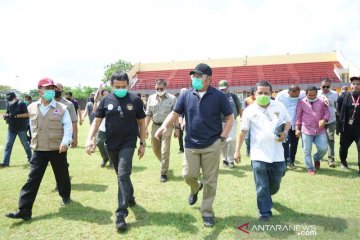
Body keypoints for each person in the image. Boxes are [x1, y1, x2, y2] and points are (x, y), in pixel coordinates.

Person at [155, 63, 234, 227]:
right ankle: (195, 188)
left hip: (212, 144)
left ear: (209, 79)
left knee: (210, 181)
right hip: (191, 144)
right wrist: (164, 126)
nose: (195, 79)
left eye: (199, 76)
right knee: (188, 175)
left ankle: (207, 212)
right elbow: (175, 113)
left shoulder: (219, 96)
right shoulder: (186, 95)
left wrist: (222, 138)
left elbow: (230, 118)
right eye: (193, 76)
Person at [85, 72, 146, 231]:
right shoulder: (105, 100)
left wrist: (142, 143)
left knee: (123, 174)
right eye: (117, 87)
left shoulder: (135, 100)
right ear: (111, 86)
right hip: (111, 144)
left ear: (128, 85)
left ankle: (121, 214)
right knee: (121, 175)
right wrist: (89, 139)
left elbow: (141, 123)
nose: (121, 89)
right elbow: (96, 122)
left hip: (128, 143)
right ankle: (130, 196)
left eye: (124, 86)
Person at [5, 78, 73, 220]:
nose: (50, 91)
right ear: (39, 90)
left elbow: (68, 127)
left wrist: (65, 142)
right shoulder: (31, 107)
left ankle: (65, 196)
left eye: (52, 88)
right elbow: (31, 125)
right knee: (32, 179)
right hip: (39, 149)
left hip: (57, 148)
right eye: (47, 88)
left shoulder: (61, 108)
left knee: (62, 175)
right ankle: (24, 210)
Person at [234, 80, 291, 222]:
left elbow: (288, 121)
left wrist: (284, 132)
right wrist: (237, 151)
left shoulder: (279, 105)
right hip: (258, 153)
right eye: (260, 93)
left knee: (277, 179)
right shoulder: (249, 110)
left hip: (277, 154)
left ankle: (269, 194)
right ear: (254, 94)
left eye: (266, 93)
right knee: (261, 185)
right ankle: (264, 212)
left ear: (271, 93)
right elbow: (243, 132)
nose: (263, 95)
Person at [145, 79, 178, 182]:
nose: (159, 90)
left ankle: (163, 173)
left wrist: (177, 128)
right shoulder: (151, 98)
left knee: (164, 150)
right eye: (157, 88)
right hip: (155, 126)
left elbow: (175, 114)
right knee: (155, 149)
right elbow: (148, 114)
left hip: (167, 127)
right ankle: (164, 163)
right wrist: (145, 128)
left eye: (161, 88)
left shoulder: (172, 98)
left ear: (165, 87)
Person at [295, 85, 330, 175]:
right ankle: (310, 168)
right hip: (306, 130)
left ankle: (316, 158)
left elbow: (327, 112)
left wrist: (324, 119)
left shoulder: (322, 101)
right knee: (307, 150)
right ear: (306, 94)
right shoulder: (301, 103)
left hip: (320, 130)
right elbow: (298, 117)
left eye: (313, 95)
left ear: (316, 94)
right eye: (309, 95)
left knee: (323, 148)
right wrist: (297, 128)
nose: (311, 97)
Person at [275, 85, 305, 169]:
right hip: (285, 124)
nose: (296, 97)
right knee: (285, 143)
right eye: (294, 95)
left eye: (298, 95)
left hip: (296, 124)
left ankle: (291, 161)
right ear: (289, 92)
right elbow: (275, 107)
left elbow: (317, 94)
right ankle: (284, 162)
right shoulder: (281, 95)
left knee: (294, 144)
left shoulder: (302, 94)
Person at [0, 92, 32, 167]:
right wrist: (6, 116)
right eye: (8, 99)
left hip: (21, 128)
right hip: (11, 128)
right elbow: (8, 113)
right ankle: (5, 163)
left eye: (10, 99)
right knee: (8, 145)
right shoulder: (9, 104)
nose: (9, 101)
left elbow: (27, 114)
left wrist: (16, 115)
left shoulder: (21, 104)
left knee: (25, 145)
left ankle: (31, 159)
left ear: (15, 98)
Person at [336, 76, 360, 177]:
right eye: (354, 84)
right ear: (351, 85)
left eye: (358, 84)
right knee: (343, 147)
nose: (356, 86)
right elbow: (338, 111)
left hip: (359, 128)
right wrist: (339, 126)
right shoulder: (343, 96)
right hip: (346, 128)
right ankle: (343, 161)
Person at [218, 80, 242, 168]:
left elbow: (239, 107)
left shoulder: (233, 96)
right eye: (221, 89)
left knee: (231, 140)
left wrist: (242, 118)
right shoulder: (217, 96)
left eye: (224, 88)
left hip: (232, 121)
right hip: (220, 122)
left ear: (228, 87)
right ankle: (225, 160)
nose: (223, 90)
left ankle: (231, 160)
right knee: (223, 141)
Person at [318, 78, 338, 167]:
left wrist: (329, 102)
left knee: (330, 139)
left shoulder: (335, 94)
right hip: (319, 121)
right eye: (323, 86)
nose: (325, 88)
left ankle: (331, 159)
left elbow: (338, 106)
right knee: (319, 140)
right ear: (320, 86)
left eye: (328, 86)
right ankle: (320, 156)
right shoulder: (316, 93)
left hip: (331, 121)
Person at [55, 83, 78, 148]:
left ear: (62, 91)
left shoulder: (69, 104)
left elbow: (74, 122)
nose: (56, 90)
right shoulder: (47, 103)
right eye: (54, 88)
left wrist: (75, 138)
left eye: (58, 89)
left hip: (63, 137)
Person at [94, 89, 112, 167]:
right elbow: (95, 111)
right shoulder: (100, 103)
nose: (106, 95)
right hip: (102, 127)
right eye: (104, 94)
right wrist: (95, 101)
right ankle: (105, 158)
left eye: (107, 94)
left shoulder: (114, 102)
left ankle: (112, 160)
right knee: (99, 142)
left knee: (110, 145)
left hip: (112, 128)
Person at [244, 87, 256, 156]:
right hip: (248, 121)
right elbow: (243, 110)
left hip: (257, 121)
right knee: (247, 138)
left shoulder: (259, 100)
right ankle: (248, 149)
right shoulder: (247, 100)